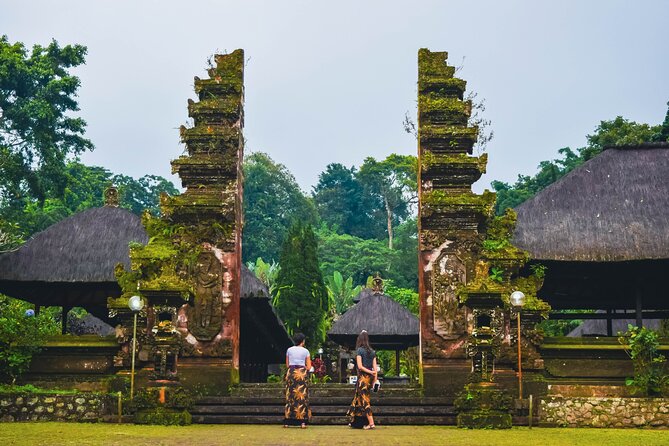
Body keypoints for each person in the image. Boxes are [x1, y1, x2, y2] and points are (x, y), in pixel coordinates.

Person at [347, 330, 377, 429]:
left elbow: (360, 366)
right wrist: (374, 379)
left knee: (364, 400)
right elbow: (375, 369)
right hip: (370, 379)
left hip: (363, 378)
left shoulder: (359, 350)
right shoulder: (372, 352)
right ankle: (356, 422)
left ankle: (371, 423)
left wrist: (369, 372)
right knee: (359, 399)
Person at [284, 332, 312, 428]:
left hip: (291, 372)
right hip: (301, 373)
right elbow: (309, 367)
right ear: (303, 341)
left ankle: (287, 421)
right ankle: (302, 422)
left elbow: (287, 365)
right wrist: (302, 367)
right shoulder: (306, 351)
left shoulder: (289, 350)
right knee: (301, 397)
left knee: (290, 396)